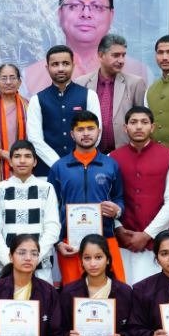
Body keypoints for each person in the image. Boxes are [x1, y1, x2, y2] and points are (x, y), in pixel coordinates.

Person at [23, 0, 149, 94]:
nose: (86, 14)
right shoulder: (29, 78)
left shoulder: (141, 73)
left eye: (97, 6)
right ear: (60, 14)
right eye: (75, 6)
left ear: (111, 16)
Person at [48, 111, 125, 284]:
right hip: (70, 243)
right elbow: (50, 209)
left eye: (90, 128)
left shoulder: (111, 165)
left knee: (113, 291)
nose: (86, 133)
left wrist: (117, 210)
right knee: (73, 293)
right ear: (72, 134)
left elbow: (119, 198)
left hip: (105, 238)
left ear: (99, 131)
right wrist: (58, 242)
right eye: (80, 129)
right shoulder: (59, 168)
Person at [110, 106, 169, 284]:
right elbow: (109, 200)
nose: (139, 127)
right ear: (125, 128)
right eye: (133, 122)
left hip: (158, 241)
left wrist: (148, 234)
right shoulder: (112, 158)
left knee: (155, 293)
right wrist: (118, 228)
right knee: (124, 290)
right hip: (122, 240)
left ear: (152, 127)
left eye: (144, 122)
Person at [0, 139, 60, 283]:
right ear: (10, 161)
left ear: (35, 162)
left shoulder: (46, 188)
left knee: (42, 298)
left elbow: (53, 227)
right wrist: (10, 260)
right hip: (7, 266)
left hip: (40, 267)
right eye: (17, 156)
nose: (22, 161)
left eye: (27, 156)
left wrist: (33, 257)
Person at [26, 45, 101, 177]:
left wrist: (78, 160)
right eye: (55, 64)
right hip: (47, 172)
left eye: (65, 63)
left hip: (84, 169)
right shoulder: (36, 100)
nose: (60, 68)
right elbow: (34, 139)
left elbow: (96, 133)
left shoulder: (89, 95)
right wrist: (59, 165)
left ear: (73, 65)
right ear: (47, 68)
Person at [75, 34, 147, 154]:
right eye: (116, 55)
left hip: (125, 153)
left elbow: (143, 121)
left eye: (123, 55)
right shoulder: (81, 83)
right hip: (89, 153)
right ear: (100, 55)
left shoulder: (135, 83)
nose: (121, 60)